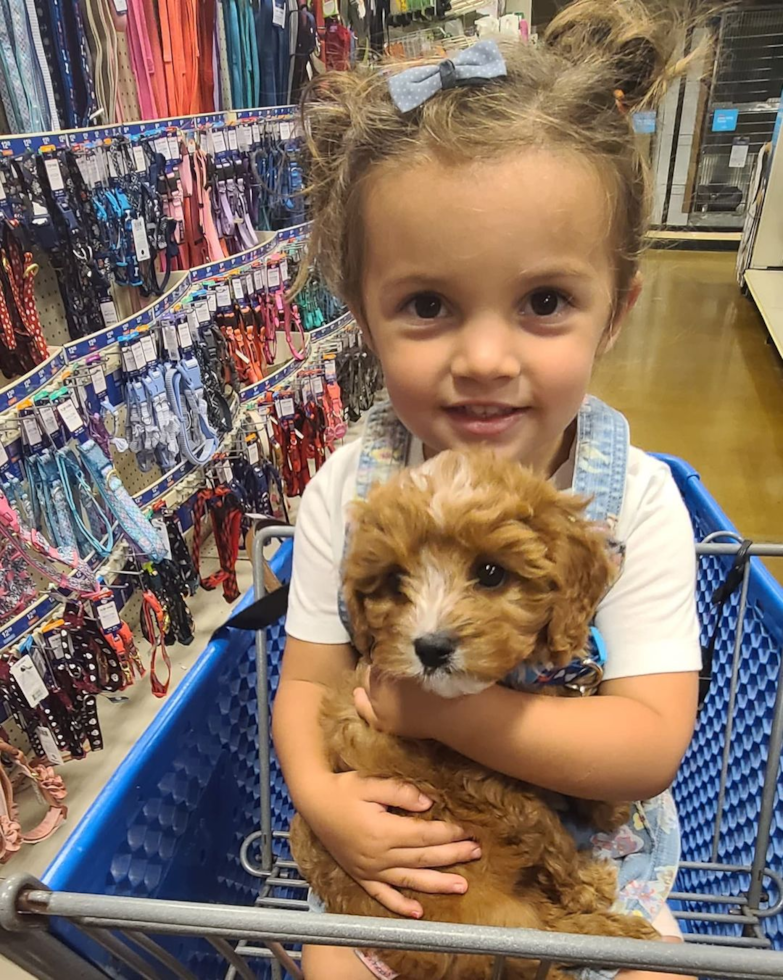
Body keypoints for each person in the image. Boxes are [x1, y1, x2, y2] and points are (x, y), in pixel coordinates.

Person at [272, 2, 703, 977]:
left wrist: (442, 712)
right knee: (330, 959)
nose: (485, 356)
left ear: (616, 308)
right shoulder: (348, 483)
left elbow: (644, 745)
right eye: (429, 304)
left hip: (588, 864)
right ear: (363, 317)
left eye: (543, 302)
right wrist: (323, 797)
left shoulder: (633, 501)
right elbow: (306, 683)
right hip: (400, 849)